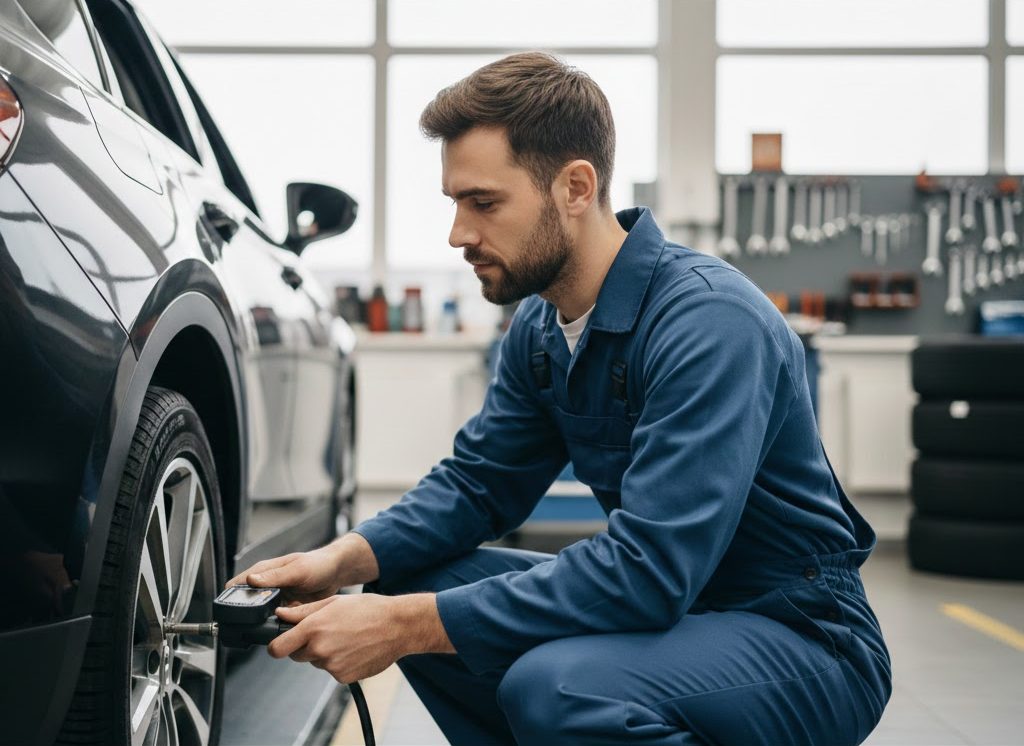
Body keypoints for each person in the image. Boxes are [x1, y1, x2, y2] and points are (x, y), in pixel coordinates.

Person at [228, 52, 891, 745]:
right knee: (405, 578)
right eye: (454, 203)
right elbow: (478, 487)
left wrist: (403, 628)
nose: (459, 234)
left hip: (804, 638)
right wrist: (341, 559)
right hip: (684, 616)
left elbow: (649, 572)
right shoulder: (541, 329)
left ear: (576, 187)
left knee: (556, 687)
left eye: (483, 203)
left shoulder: (709, 323)